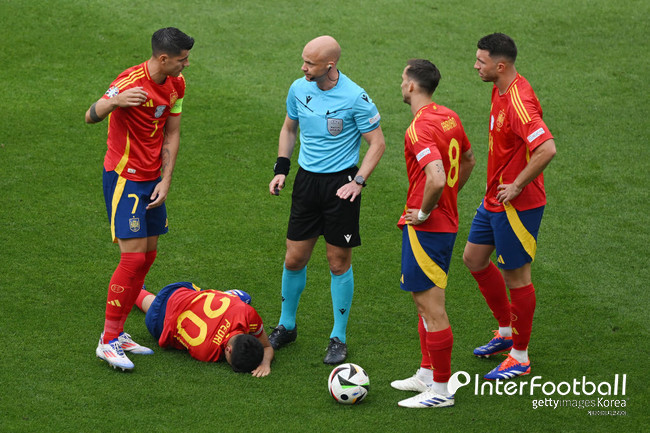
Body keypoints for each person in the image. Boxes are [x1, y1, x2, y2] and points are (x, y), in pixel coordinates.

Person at [267, 35, 386, 364]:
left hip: (341, 186)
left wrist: (359, 182)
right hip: (306, 183)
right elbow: (289, 128)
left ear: (329, 66)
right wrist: (282, 168)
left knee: (338, 262)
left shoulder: (355, 97)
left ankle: (338, 336)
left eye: (310, 63)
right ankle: (287, 326)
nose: (303, 67)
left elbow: (377, 143)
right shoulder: (298, 88)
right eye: (303, 60)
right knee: (294, 259)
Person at [85, 27, 195, 371]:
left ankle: (118, 334)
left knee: (148, 256)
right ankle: (107, 340)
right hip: (125, 179)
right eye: (182, 59)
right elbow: (91, 114)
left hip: (152, 181)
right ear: (163, 58)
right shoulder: (130, 81)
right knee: (132, 260)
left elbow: (172, 133)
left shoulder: (176, 85)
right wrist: (114, 101)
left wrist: (166, 180)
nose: (186, 65)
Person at [463, 33, 556, 380]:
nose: (475, 66)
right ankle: (505, 332)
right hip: (495, 199)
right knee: (474, 258)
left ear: (499, 66)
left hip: (518, 204)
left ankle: (520, 355)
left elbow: (547, 148)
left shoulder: (519, 102)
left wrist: (517, 184)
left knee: (516, 277)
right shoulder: (498, 88)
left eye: (480, 61)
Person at [390, 60, 475, 408]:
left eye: (402, 79)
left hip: (428, 227)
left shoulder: (418, 128)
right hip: (444, 221)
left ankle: (440, 391)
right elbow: (468, 159)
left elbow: (437, 178)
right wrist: (448, 198)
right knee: (421, 302)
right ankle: (427, 373)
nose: (400, 84)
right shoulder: (449, 116)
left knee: (432, 306)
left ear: (412, 86)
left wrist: (425, 211)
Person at [134, 282, 274, 377]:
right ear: (228, 350)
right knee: (145, 299)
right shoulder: (207, 352)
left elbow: (265, 346)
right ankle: (134, 290)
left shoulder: (248, 313)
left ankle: (230, 296)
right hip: (159, 321)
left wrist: (264, 362)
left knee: (237, 300)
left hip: (181, 289)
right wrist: (266, 363)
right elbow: (267, 346)